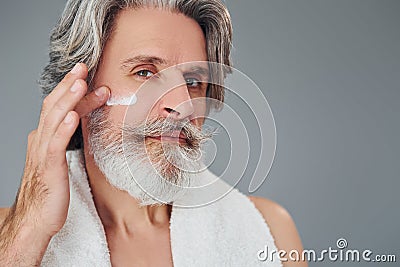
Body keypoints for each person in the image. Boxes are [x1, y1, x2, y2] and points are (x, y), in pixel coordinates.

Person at [0, 0, 306, 266]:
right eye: (145, 72)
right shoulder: (12, 238)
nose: (182, 105)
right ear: (80, 90)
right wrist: (28, 231)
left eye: (193, 82)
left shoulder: (271, 234)